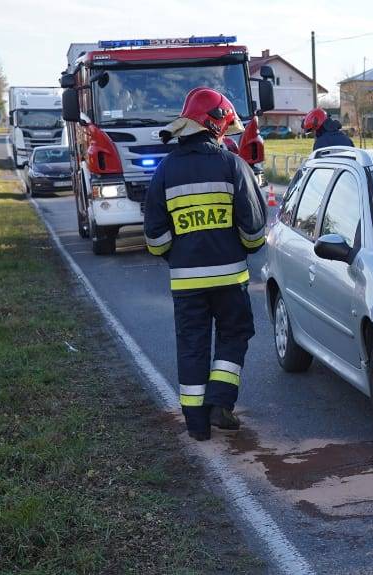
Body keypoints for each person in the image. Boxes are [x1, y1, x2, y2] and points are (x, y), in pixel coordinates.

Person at [144, 87, 267, 441]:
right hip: (230, 280)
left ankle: (197, 427)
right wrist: (240, 248)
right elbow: (254, 229)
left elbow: (154, 236)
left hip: (186, 284)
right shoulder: (232, 165)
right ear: (215, 125)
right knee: (233, 335)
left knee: (192, 346)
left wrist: (178, 256)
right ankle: (220, 402)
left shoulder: (165, 170)